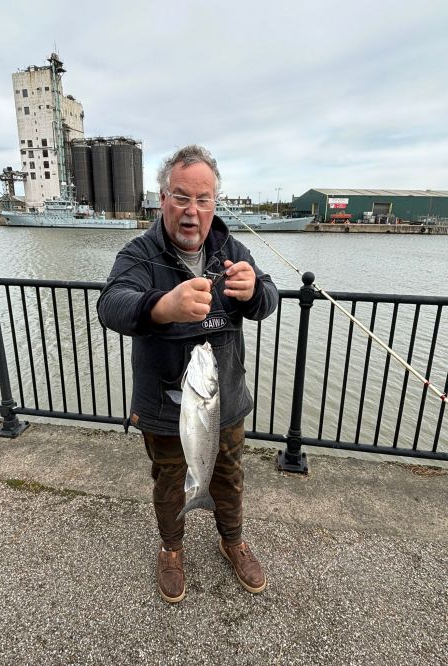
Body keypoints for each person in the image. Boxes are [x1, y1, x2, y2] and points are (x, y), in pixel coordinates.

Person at [97, 145, 278, 603]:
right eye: (181, 198)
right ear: (162, 199)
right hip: (162, 406)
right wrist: (162, 306)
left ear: (216, 202)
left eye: (203, 199)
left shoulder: (232, 249)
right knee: (168, 480)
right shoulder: (140, 253)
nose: (192, 212)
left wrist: (255, 291)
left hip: (225, 401)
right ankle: (171, 548)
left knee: (230, 476)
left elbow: (269, 300)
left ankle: (232, 539)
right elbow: (111, 304)